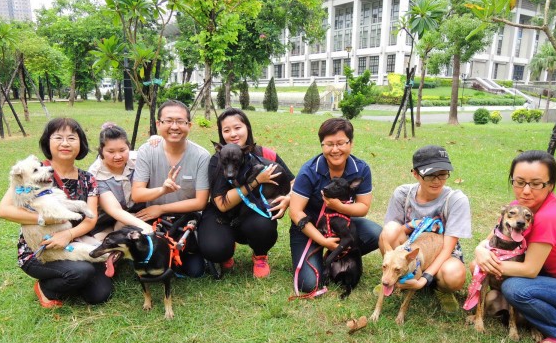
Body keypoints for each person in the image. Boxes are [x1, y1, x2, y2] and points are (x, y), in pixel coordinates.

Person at [474, 150, 556, 343]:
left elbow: (530, 269)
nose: (525, 190)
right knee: (491, 273)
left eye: (536, 183)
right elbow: (490, 239)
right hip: (555, 279)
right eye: (519, 182)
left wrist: (486, 264)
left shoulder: (550, 216)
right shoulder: (520, 208)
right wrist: (480, 250)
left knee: (515, 287)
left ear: (551, 185)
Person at [0, 118, 113, 307]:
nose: (65, 143)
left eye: (71, 138)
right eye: (58, 137)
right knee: (81, 272)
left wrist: (67, 235)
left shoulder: (88, 178)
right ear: (47, 142)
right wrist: (44, 219)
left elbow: (90, 219)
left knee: (99, 294)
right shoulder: (31, 172)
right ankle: (46, 288)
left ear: (80, 143)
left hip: (73, 243)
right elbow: (4, 210)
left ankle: (72, 276)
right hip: (39, 251)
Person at [198, 107, 295, 278]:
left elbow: (294, 183)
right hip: (226, 212)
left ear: (247, 128)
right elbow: (221, 204)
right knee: (215, 248)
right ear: (221, 135)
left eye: (237, 127)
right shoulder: (219, 158)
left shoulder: (265, 154)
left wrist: (287, 198)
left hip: (253, 211)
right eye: (226, 130)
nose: (233, 134)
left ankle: (260, 255)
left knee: (263, 225)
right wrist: (256, 182)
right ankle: (226, 246)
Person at [289, 117, 383, 294]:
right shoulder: (309, 170)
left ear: (351, 143)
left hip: (341, 225)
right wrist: (323, 240)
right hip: (310, 227)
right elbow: (295, 212)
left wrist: (337, 206)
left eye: (341, 143)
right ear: (322, 145)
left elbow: (363, 207)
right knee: (309, 285)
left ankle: (339, 255)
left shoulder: (361, 168)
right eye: (329, 144)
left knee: (377, 233)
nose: (335, 150)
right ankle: (321, 253)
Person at [382, 145, 471, 312]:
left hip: (441, 252)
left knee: (454, 275)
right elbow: (390, 237)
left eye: (442, 174)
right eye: (430, 175)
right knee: (389, 231)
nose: (437, 181)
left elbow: (447, 248)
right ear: (415, 174)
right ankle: (396, 278)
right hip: (410, 252)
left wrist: (424, 278)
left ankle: (441, 289)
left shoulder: (456, 200)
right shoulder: (402, 194)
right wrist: (411, 225)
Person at [131, 100, 210, 278]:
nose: (174, 126)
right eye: (168, 121)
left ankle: (190, 251)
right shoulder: (147, 151)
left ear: (189, 125)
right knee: (152, 265)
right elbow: (137, 194)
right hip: (154, 221)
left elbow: (201, 201)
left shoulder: (201, 156)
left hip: (186, 221)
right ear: (158, 124)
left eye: (180, 121)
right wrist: (162, 191)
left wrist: (161, 207)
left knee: (194, 271)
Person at [88, 123, 152, 239]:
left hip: (137, 213)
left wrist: (157, 140)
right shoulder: (96, 174)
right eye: (111, 152)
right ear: (101, 150)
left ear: (129, 146)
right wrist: (144, 226)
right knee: (103, 244)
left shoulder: (139, 159)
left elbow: (160, 150)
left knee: (125, 228)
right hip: (106, 219)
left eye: (122, 150)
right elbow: (114, 209)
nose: (117, 156)